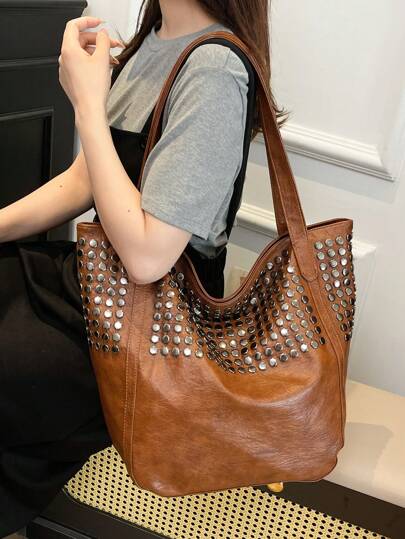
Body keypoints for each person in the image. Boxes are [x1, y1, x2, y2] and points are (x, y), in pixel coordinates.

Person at [0, 0, 287, 535]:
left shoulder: (214, 68)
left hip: (149, 332)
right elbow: (82, 181)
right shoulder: (152, 40)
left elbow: (149, 258)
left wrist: (88, 103)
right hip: (95, 290)